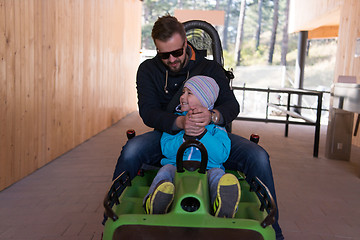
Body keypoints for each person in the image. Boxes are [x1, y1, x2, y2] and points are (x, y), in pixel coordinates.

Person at [111, 14, 284, 239]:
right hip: (169, 134)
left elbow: (232, 105)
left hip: (211, 133)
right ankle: (111, 220)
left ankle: (275, 231)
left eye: (177, 52)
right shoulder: (148, 70)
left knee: (258, 157)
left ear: (186, 43)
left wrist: (212, 116)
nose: (172, 59)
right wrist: (179, 122)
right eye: (164, 54)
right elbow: (148, 111)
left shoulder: (210, 68)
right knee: (132, 150)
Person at [143, 75, 240, 218]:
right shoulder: (176, 121)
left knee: (217, 174)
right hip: (177, 166)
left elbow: (221, 155)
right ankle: (154, 200)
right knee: (166, 170)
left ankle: (222, 204)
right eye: (183, 92)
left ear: (205, 100)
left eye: (189, 93)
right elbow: (166, 149)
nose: (182, 97)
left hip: (207, 169)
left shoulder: (216, 128)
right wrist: (185, 136)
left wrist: (203, 135)